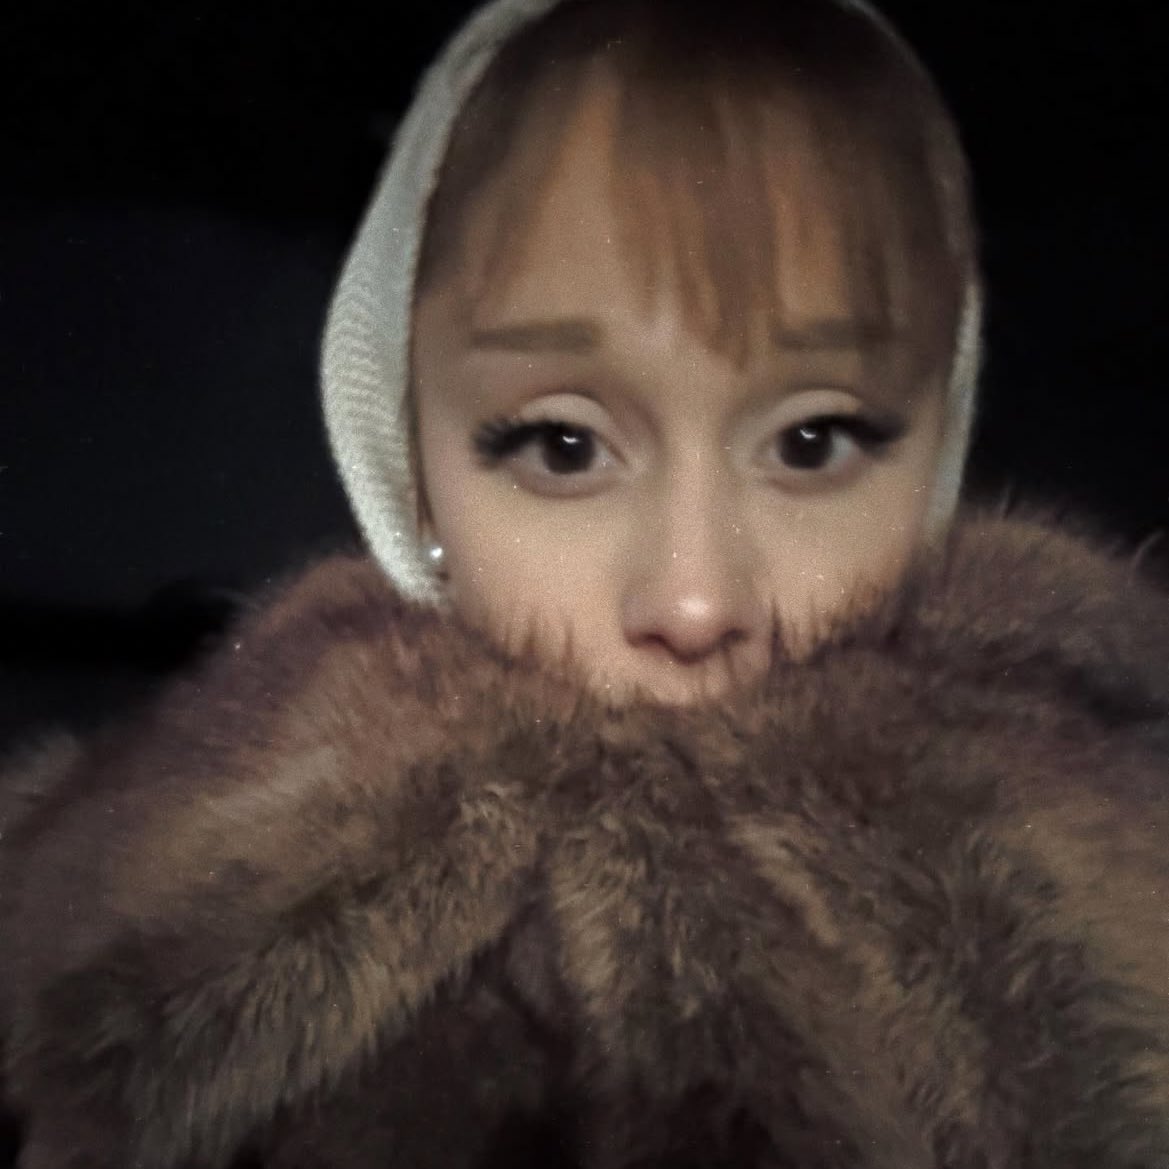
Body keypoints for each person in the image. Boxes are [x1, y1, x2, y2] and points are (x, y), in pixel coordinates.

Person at [1, 0, 1167, 1166]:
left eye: (811, 442)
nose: (695, 601)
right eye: (561, 446)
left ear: (935, 454)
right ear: (412, 475)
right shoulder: (112, 935)